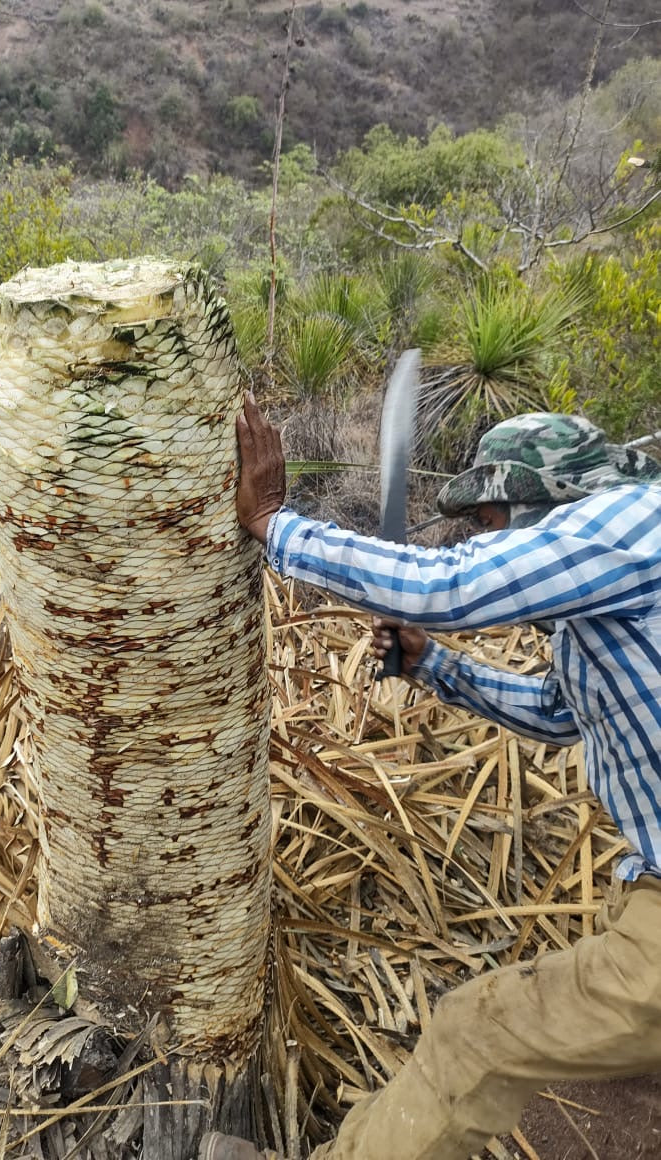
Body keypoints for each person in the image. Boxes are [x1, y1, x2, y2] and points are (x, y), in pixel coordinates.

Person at [199, 401, 661, 1160]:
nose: (485, 540)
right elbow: (559, 714)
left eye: (489, 523)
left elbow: (445, 589)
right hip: (647, 885)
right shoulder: (606, 601)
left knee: (479, 1029)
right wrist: (431, 663)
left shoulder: (635, 522)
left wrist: (276, 525)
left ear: (540, 501)